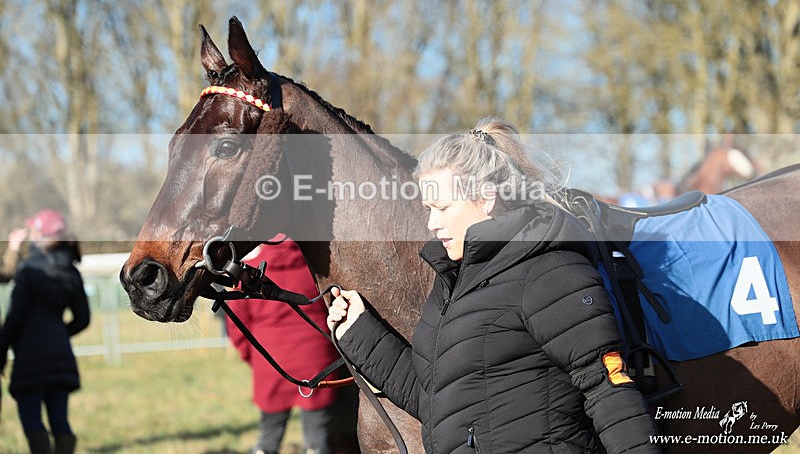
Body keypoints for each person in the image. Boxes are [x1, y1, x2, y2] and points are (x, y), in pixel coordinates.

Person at [327, 119, 659, 453]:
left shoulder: (549, 271)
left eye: (441, 208)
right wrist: (360, 333)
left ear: (487, 198)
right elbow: (439, 401)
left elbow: (609, 391)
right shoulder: (452, 286)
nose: (432, 223)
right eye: (427, 210)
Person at [226, 239, 358, 454]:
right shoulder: (320, 267)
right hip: (317, 362)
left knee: (269, 434)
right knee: (317, 437)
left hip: (271, 362)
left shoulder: (250, 271)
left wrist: (254, 358)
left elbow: (237, 323)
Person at [0, 209, 90, 454]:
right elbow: (83, 319)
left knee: (32, 420)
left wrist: (3, 347)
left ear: (41, 235)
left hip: (29, 358)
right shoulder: (72, 272)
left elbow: (15, 317)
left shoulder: (29, 269)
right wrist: (59, 334)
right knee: (60, 421)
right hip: (60, 355)